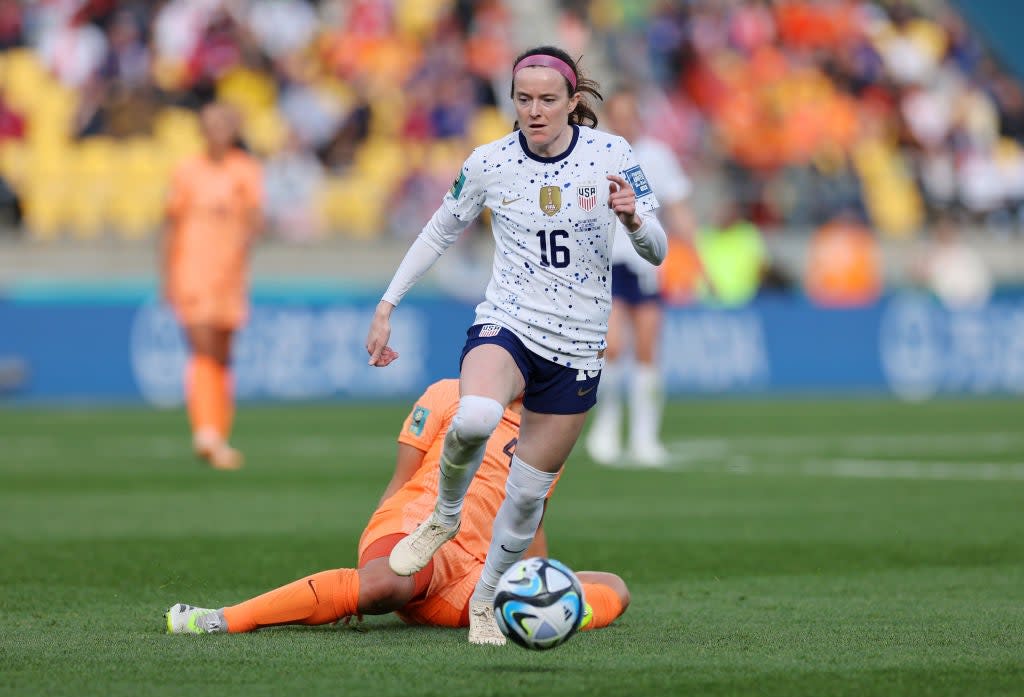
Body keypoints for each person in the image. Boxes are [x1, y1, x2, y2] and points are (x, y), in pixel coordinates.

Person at [364, 46, 666, 644]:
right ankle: (443, 518)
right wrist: (387, 304)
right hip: (509, 323)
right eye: (523, 99)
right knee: (474, 415)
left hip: (578, 346)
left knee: (526, 500)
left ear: (573, 101)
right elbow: (437, 232)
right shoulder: (490, 162)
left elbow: (657, 250)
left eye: (548, 100)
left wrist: (633, 220)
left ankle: (485, 601)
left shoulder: (613, 156)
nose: (534, 110)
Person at [164, 378, 630, 636]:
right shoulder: (451, 396)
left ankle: (554, 620)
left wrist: (546, 589)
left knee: (613, 587)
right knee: (386, 583)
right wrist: (369, 573)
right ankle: (223, 619)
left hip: (475, 574)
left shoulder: (551, 432)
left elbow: (532, 514)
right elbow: (401, 484)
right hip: (418, 534)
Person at [585, 86, 697, 467]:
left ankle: (645, 437)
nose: (625, 122)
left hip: (645, 263)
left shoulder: (656, 156)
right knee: (612, 347)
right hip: (609, 263)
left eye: (630, 114)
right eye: (618, 115)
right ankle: (607, 427)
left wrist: (697, 255)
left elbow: (677, 206)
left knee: (648, 349)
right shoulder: (596, 155)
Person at [162, 102, 263, 470]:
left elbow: (255, 220)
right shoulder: (187, 171)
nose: (216, 131)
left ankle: (217, 435)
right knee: (202, 346)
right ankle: (205, 431)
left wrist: (242, 240)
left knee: (222, 353)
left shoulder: (246, 170)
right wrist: (166, 277)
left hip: (230, 275)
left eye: (223, 124)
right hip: (193, 270)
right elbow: (170, 225)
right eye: (210, 124)